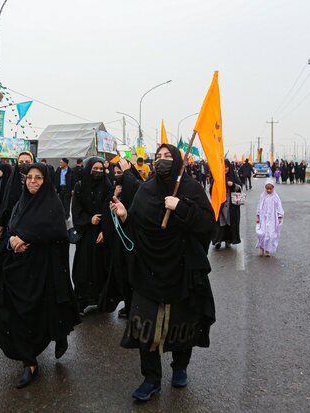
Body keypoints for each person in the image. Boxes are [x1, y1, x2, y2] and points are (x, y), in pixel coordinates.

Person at [110, 144, 216, 401]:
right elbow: (137, 226)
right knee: (145, 325)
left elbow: (207, 225)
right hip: (149, 270)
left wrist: (181, 207)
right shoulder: (146, 189)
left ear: (179, 161)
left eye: (168, 157)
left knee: (183, 323)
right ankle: (151, 378)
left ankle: (180, 367)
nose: (162, 161)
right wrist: (125, 216)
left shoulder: (190, 188)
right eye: (158, 157)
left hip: (182, 268)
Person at [0, 163, 80, 389]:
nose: (33, 181)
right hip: (17, 270)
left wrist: (27, 239)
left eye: (38, 178)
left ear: (46, 181)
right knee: (10, 313)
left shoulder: (53, 205)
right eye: (30, 178)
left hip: (42, 272)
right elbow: (11, 228)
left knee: (36, 315)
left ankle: (42, 348)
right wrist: (12, 240)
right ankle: (29, 361)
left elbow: (57, 234)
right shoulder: (20, 203)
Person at [99, 160, 141, 318]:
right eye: (115, 173)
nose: (117, 176)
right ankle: (127, 305)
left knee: (133, 273)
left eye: (121, 173)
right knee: (120, 272)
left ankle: (135, 307)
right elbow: (107, 212)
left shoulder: (137, 188)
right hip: (117, 240)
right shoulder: (114, 190)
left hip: (132, 240)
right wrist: (114, 195)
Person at [71, 157, 112, 314]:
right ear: (89, 168)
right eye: (95, 168)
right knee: (84, 267)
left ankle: (101, 299)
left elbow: (109, 211)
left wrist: (105, 230)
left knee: (101, 267)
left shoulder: (107, 185)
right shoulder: (80, 186)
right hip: (86, 233)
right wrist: (89, 220)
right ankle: (82, 300)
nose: (98, 172)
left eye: (101, 169)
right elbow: (76, 210)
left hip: (102, 234)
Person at [0, 151, 35, 250]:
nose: (24, 164)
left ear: (33, 163)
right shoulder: (11, 183)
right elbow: (5, 207)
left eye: (27, 162)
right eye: (21, 162)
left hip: (34, 231)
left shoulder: (39, 182)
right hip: (13, 230)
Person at [212, 159, 242, 249]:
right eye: (223, 167)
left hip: (230, 205)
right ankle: (218, 241)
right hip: (219, 204)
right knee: (220, 222)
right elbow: (211, 189)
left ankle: (229, 240)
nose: (225, 169)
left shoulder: (233, 176)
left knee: (229, 222)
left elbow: (240, 187)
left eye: (226, 167)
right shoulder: (217, 177)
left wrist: (232, 185)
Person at [256, 179, 284, 257]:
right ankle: (261, 248)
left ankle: (268, 250)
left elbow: (279, 207)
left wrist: (280, 216)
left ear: (273, 188)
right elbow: (259, 206)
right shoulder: (263, 196)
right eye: (267, 189)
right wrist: (258, 216)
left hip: (272, 218)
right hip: (263, 218)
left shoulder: (275, 197)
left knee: (270, 234)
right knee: (262, 233)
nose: (268, 190)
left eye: (270, 189)